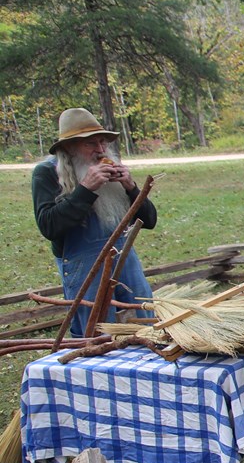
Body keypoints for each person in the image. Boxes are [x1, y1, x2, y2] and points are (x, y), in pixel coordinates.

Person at [32, 108, 158, 337]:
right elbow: (49, 226)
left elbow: (149, 220)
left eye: (103, 142)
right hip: (84, 267)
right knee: (96, 333)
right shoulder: (46, 173)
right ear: (69, 147)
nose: (100, 150)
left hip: (125, 259)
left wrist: (131, 187)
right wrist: (85, 190)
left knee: (144, 324)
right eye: (91, 144)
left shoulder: (112, 169)